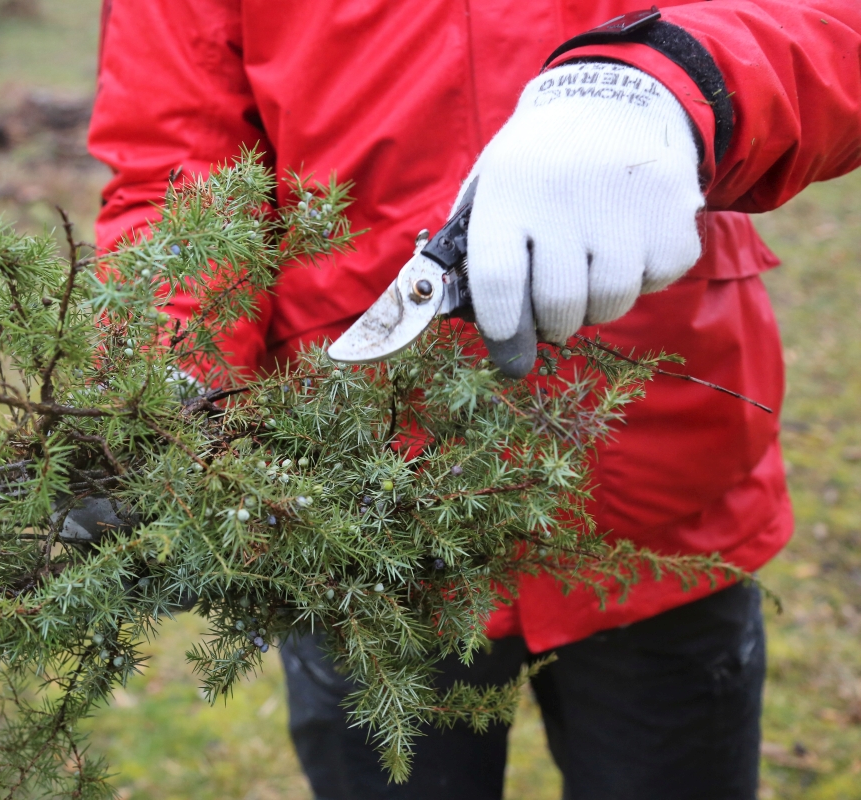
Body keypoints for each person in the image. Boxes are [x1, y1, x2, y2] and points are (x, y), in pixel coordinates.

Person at [87, 2, 861, 797]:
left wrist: (672, 76)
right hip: (358, 518)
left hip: (661, 495)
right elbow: (177, 169)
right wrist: (160, 375)